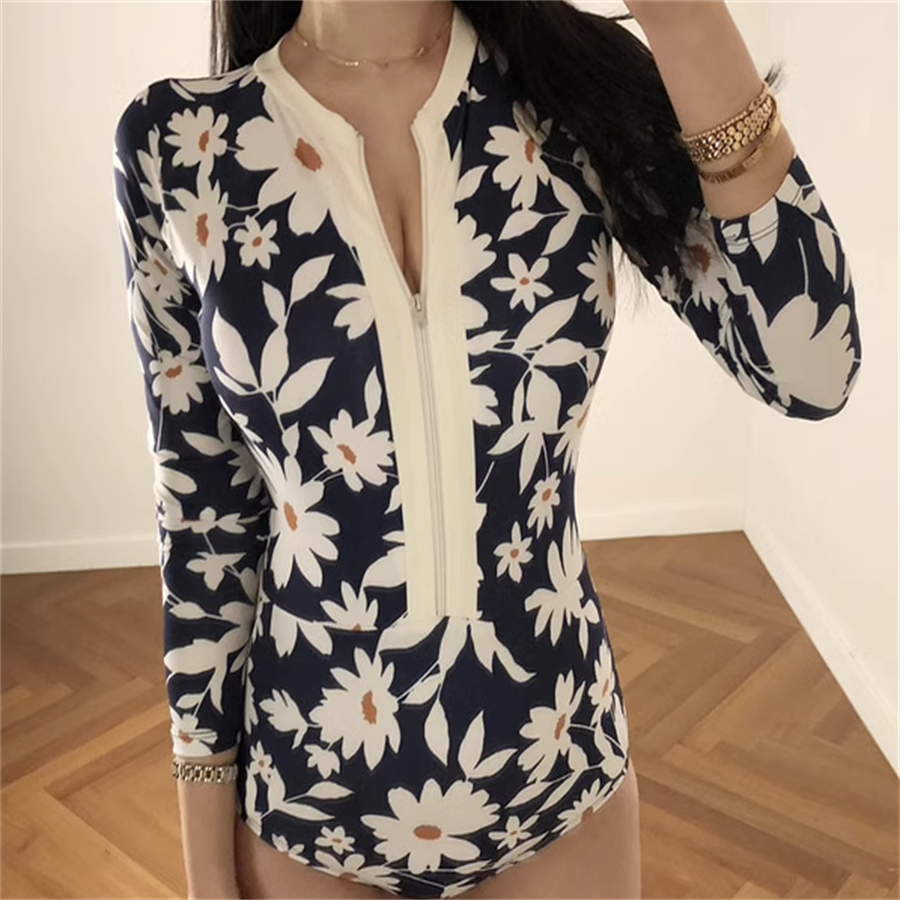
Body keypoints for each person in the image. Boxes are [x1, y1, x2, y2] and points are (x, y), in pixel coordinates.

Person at [112, 0, 862, 897]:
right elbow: (204, 520)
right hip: (307, 799)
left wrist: (685, 20)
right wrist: (207, 871)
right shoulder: (178, 141)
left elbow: (812, 367)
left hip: (560, 776)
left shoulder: (570, 94)